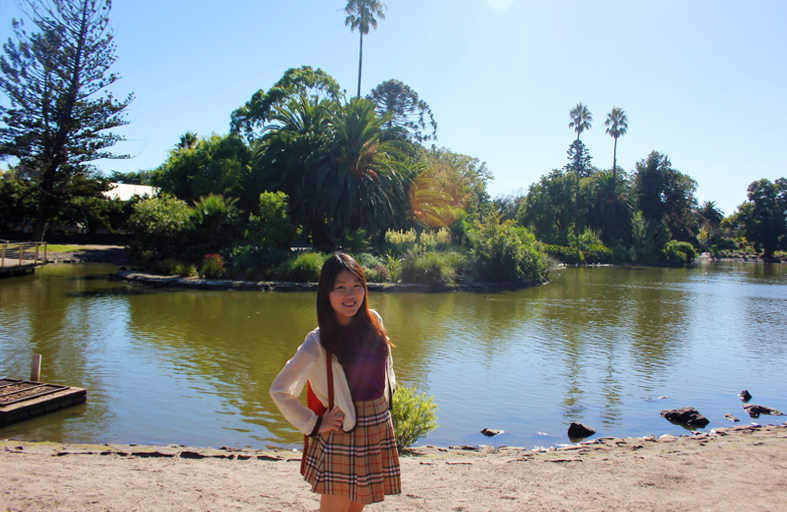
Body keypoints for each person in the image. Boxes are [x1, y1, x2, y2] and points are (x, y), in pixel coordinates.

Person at [270, 252, 401, 511]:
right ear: (326, 294)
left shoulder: (374, 321)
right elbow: (280, 390)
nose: (349, 295)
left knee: (357, 505)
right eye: (340, 288)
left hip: (376, 424)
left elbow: (385, 368)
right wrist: (315, 423)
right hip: (343, 428)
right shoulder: (318, 341)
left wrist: (387, 399)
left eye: (356, 286)